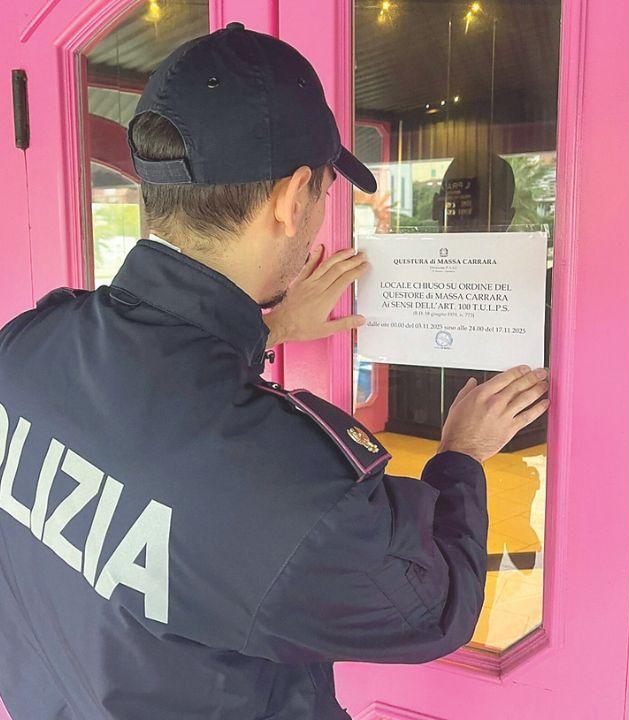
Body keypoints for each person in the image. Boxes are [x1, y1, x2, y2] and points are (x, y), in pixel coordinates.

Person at [0, 23, 548, 719]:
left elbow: (156, 418)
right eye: (323, 194)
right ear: (293, 199)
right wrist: (461, 455)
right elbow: (431, 607)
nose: (322, 214)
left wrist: (269, 328)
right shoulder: (283, 484)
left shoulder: (27, 345)